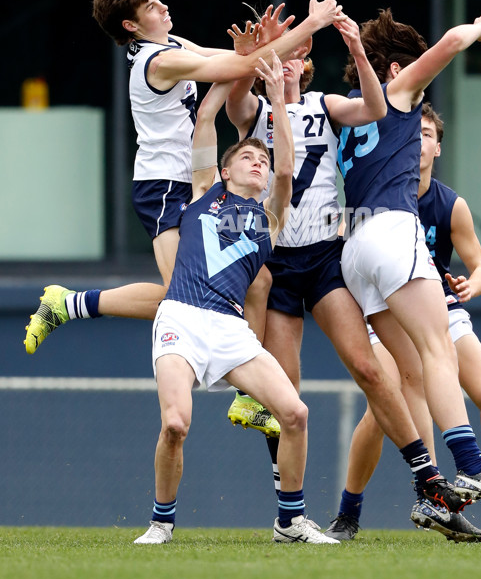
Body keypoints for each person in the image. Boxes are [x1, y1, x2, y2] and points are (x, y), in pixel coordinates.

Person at [222, 10, 474, 533]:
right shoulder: (256, 112)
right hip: (275, 261)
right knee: (284, 392)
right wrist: (253, 55)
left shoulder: (323, 106)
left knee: (369, 368)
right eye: (280, 55)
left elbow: (377, 106)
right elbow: (233, 97)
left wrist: (358, 50)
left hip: (324, 255)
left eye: (294, 54)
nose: (286, 62)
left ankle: (427, 478)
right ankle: (289, 512)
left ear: (306, 64)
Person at [24, 0, 341, 355]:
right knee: (184, 300)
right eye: (152, 7)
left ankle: (249, 394)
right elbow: (239, 68)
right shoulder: (158, 62)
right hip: (162, 187)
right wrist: (311, 24)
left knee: (257, 280)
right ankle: (69, 304)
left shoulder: (170, 43)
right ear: (131, 24)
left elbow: (231, 61)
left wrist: (267, 47)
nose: (163, 5)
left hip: (196, 179)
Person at [324, 7, 481, 541]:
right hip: (395, 232)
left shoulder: (345, 112)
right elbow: (448, 44)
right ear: (395, 67)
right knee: (439, 345)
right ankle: (471, 463)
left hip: (354, 249)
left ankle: (432, 495)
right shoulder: (397, 93)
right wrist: (480, 26)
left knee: (413, 374)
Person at [134, 51, 339, 545]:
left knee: (295, 414)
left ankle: (290, 522)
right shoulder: (204, 191)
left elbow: (287, 168)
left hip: (230, 329)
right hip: (181, 317)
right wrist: (244, 61)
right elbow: (205, 116)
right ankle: (161, 523)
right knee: (177, 424)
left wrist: (276, 106)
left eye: (262, 160)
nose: (258, 162)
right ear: (225, 171)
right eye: (248, 156)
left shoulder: (270, 215)